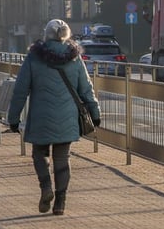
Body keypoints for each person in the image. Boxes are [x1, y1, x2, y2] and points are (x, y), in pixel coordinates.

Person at [8, 19, 101, 216]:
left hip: (40, 116)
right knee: (62, 158)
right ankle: (60, 202)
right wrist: (95, 113)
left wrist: (13, 118)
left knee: (39, 153)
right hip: (67, 117)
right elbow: (86, 89)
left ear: (46, 34)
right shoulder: (74, 58)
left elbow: (20, 90)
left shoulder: (34, 57)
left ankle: (46, 187)